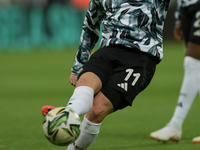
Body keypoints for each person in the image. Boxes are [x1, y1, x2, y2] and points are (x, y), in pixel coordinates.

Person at [42, 0, 171, 149]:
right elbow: (90, 26)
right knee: (84, 83)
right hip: (107, 51)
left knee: (96, 111)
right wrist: (78, 67)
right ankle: (68, 113)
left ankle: (65, 121)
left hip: (140, 58)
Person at [150, 0, 200, 143]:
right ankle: (175, 126)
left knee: (192, 61)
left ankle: (175, 124)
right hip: (186, 6)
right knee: (196, 65)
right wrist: (179, 15)